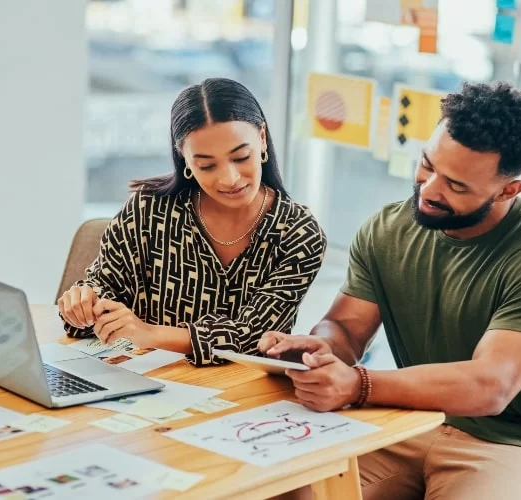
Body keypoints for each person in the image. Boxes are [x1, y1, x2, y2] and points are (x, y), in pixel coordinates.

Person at [261, 82, 521, 500]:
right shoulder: (387, 229)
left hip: (510, 445)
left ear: (509, 190)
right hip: (406, 421)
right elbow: (345, 327)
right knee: (276, 489)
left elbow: (491, 385)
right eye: (427, 165)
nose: (430, 189)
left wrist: (358, 384)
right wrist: (319, 350)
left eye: (457, 186)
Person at [58, 78, 327, 366]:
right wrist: (84, 305)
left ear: (262, 139)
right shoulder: (149, 208)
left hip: (243, 396)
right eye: (207, 165)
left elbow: (253, 337)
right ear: (184, 159)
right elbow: (104, 290)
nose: (230, 179)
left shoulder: (298, 233)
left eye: (241, 157)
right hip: (142, 382)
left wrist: (149, 334)